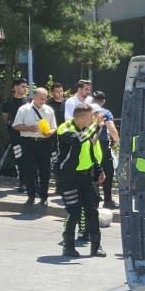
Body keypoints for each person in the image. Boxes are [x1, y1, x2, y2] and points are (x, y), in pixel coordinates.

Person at [56, 104, 105, 258]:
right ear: (82, 117)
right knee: (74, 211)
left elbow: (89, 152)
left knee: (92, 211)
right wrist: (95, 126)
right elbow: (78, 140)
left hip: (87, 177)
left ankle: (96, 246)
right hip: (69, 178)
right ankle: (68, 246)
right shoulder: (64, 128)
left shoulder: (86, 129)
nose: (91, 120)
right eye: (90, 118)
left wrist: (98, 170)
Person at [12, 87, 57, 207]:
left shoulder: (49, 110)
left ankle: (44, 197)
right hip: (28, 142)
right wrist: (28, 128)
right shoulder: (24, 109)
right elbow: (16, 125)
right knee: (30, 170)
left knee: (45, 170)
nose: (43, 101)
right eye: (41, 98)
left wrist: (50, 133)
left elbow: (54, 127)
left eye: (45, 99)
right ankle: (31, 196)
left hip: (44, 142)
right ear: (35, 97)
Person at [91, 91, 120, 210]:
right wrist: (117, 140)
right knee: (107, 171)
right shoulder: (105, 112)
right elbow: (112, 129)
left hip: (88, 143)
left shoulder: (85, 110)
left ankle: (95, 199)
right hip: (102, 144)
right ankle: (107, 200)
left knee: (92, 171)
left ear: (92, 100)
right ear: (103, 102)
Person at [1, 79, 29, 192]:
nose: (25, 89)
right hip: (15, 136)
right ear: (15, 87)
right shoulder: (8, 103)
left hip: (28, 135)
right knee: (19, 158)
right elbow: (5, 120)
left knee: (29, 158)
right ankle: (22, 181)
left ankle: (31, 182)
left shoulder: (29, 101)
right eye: (23, 86)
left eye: (26, 87)